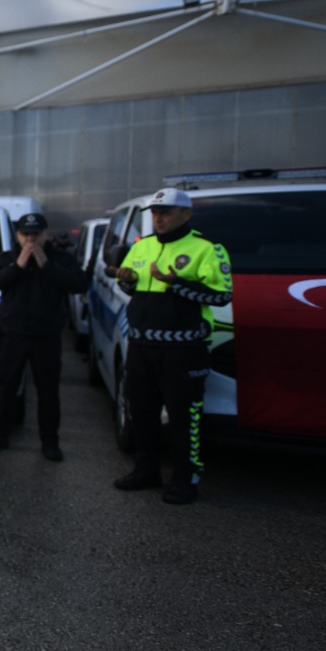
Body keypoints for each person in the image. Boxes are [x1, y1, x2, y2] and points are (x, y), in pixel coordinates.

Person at [104, 187, 232, 505]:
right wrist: (126, 278)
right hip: (141, 345)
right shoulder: (142, 246)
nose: (159, 219)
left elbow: (221, 295)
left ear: (185, 214)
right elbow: (131, 288)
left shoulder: (207, 249)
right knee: (141, 411)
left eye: (166, 213)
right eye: (155, 213)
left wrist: (175, 283)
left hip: (183, 350)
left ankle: (185, 479)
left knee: (182, 416)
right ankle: (146, 470)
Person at [0, 211, 87, 461]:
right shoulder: (6, 259)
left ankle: (50, 442)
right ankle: (0, 435)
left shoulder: (60, 259)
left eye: (35, 234)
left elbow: (79, 284)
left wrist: (46, 265)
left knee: (48, 391)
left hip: (45, 335)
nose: (30, 239)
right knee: (6, 387)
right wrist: (17, 267)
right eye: (25, 234)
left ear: (46, 234)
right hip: (12, 334)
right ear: (17, 235)